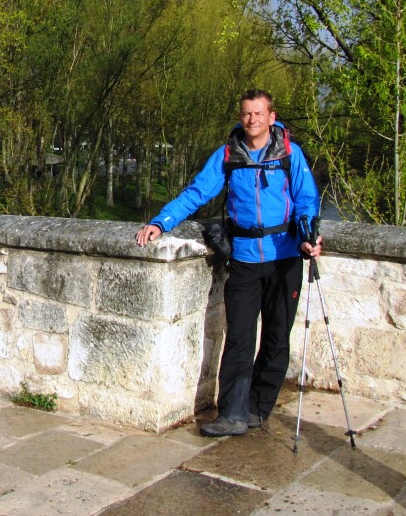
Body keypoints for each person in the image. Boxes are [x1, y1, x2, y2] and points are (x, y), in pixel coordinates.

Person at [135, 89, 322, 437]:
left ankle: (257, 408)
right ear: (241, 117)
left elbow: (306, 200)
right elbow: (197, 193)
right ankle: (232, 414)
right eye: (247, 113)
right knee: (239, 337)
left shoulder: (289, 154)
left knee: (277, 336)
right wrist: (161, 221)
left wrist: (309, 232)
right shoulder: (227, 154)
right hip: (245, 257)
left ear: (271, 117)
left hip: (285, 257)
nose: (252, 120)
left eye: (259, 113)